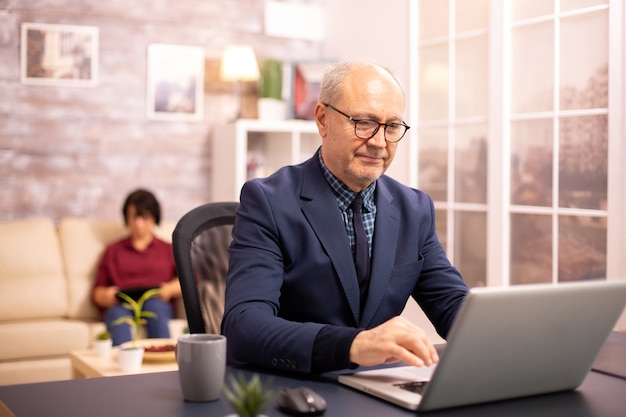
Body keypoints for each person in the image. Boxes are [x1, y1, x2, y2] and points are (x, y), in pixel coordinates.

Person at [221, 61, 469, 374]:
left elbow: (452, 305)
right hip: (295, 389)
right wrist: (354, 346)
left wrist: (507, 334)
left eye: (392, 127)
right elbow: (244, 325)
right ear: (323, 119)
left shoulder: (414, 209)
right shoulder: (268, 201)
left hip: (379, 391)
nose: (379, 142)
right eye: (364, 122)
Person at [92, 188, 181, 346]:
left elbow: (189, 281)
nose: (138, 224)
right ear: (127, 219)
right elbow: (97, 292)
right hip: (121, 305)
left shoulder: (167, 249)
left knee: (154, 308)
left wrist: (168, 289)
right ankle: (124, 369)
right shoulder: (113, 251)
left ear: (154, 218)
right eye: (133, 217)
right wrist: (106, 296)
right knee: (118, 315)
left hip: (156, 302)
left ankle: (162, 365)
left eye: (144, 217)